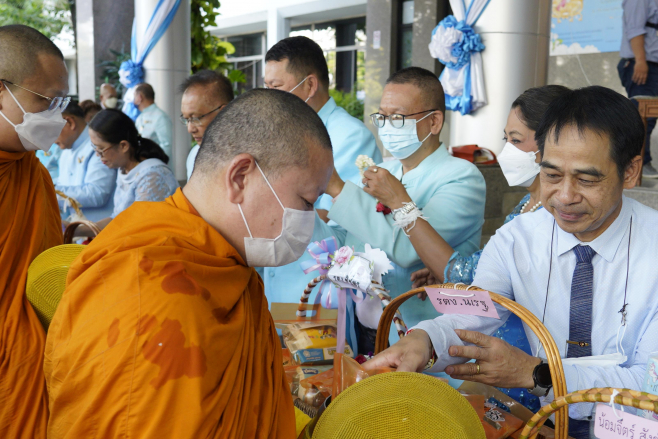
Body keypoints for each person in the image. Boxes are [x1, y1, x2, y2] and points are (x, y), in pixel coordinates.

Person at [19, 87, 445, 439]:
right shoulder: (150, 284)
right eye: (305, 200)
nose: (312, 217)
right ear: (241, 176)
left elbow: (236, 428)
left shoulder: (227, 267)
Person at [365, 86, 658, 439]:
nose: (564, 197)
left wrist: (539, 375)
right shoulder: (518, 237)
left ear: (632, 170)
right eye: (551, 175)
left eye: (587, 179)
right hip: (539, 437)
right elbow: (478, 311)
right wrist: (424, 340)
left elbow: (652, 384)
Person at [401, 84, 572, 411]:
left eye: (516, 140)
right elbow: (490, 277)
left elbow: (467, 272)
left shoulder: (556, 215)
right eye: (506, 139)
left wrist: (400, 204)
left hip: (529, 365)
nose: (506, 149)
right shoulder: (527, 203)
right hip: (496, 349)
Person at [320, 66, 486, 353]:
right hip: (364, 329)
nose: (385, 126)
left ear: (433, 122)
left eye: (397, 117)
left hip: (421, 336)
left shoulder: (461, 177)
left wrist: (336, 187)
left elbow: (409, 252)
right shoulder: (384, 169)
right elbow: (350, 238)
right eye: (382, 116)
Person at [0, 24, 68, 439]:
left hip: (30, 376)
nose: (55, 117)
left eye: (62, 100)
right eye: (45, 99)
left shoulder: (32, 172)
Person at [262, 36, 382, 310]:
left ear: (310, 85)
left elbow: (341, 224)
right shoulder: (281, 131)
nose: (269, 96)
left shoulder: (349, 135)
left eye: (276, 86)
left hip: (319, 289)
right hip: (274, 284)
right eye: (266, 86)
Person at [87, 108, 177, 229]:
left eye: (101, 149)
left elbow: (141, 230)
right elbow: (117, 219)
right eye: (95, 148)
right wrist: (77, 230)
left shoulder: (153, 176)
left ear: (123, 146)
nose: (98, 155)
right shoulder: (124, 169)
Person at [618, 0, 658, 179]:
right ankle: (638, 166)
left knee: (648, 118)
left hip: (653, 68)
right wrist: (642, 61)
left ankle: (640, 164)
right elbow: (635, 30)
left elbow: (656, 33)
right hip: (642, 65)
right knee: (642, 119)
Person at [52, 101, 116, 221]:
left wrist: (49, 193)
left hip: (102, 230)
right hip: (79, 230)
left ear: (70, 123)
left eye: (51, 131)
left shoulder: (98, 145)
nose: (50, 139)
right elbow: (61, 186)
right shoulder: (65, 151)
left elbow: (97, 193)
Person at [179, 69, 233, 180]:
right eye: (186, 119)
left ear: (224, 112)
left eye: (196, 118)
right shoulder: (194, 155)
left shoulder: (250, 154)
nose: (190, 129)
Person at [134, 82, 172, 160]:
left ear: (139, 97)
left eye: (134, 97)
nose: (133, 100)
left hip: (157, 165)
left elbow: (166, 146)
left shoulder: (160, 117)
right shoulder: (140, 118)